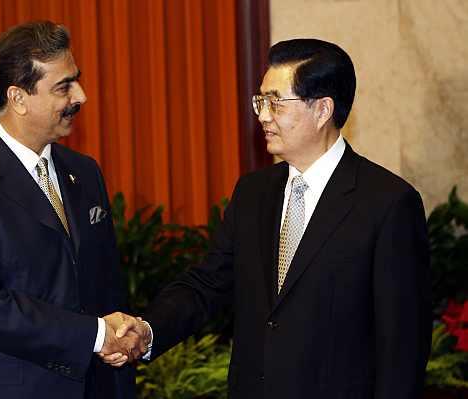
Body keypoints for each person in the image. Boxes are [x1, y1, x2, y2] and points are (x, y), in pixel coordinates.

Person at [107, 38, 432, 398]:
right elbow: (209, 284)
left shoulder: (387, 203)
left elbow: (402, 347)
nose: (262, 114)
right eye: (260, 101)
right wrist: (148, 330)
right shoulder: (253, 193)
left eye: (275, 102)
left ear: (322, 109)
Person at [0, 21, 143, 399]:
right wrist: (95, 334)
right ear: (18, 97)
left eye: (77, 80)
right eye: (64, 87)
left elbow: (105, 283)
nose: (82, 96)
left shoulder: (84, 172)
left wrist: (124, 335)